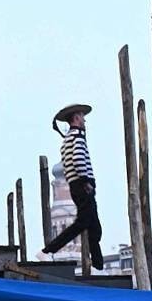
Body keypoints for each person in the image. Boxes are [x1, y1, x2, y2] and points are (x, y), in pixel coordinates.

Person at [41, 103, 104, 268]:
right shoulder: (76, 138)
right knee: (82, 223)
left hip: (77, 185)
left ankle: (98, 263)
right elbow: (77, 160)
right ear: (76, 118)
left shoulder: (67, 140)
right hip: (82, 185)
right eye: (82, 116)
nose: (84, 120)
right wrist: (85, 181)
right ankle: (49, 249)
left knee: (94, 227)